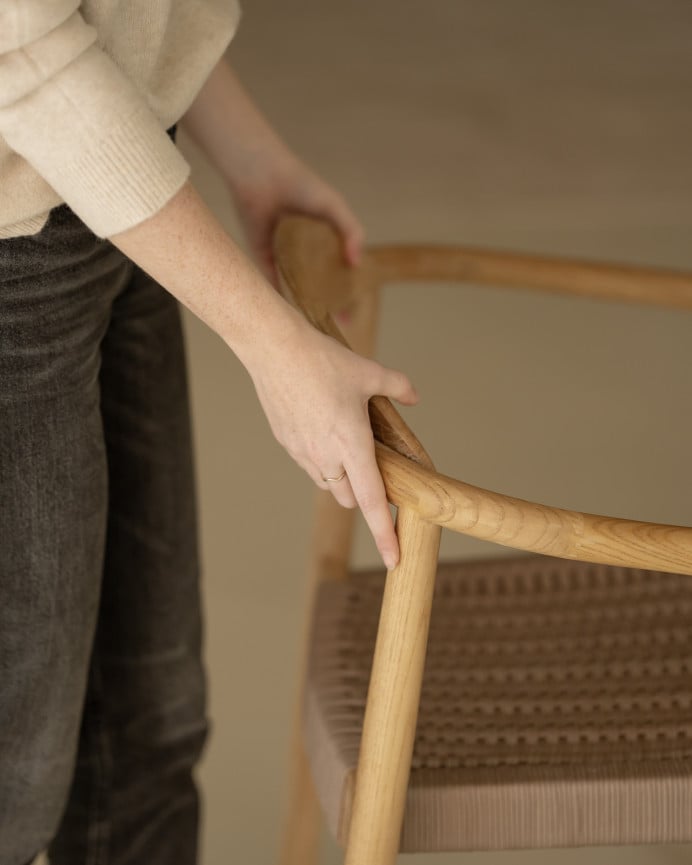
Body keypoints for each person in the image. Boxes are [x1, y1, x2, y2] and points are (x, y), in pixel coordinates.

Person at [0, 2, 417, 862]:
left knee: (152, 725)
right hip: (19, 237)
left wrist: (253, 157)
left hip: (127, 196)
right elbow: (18, 46)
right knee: (15, 777)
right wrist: (270, 342)